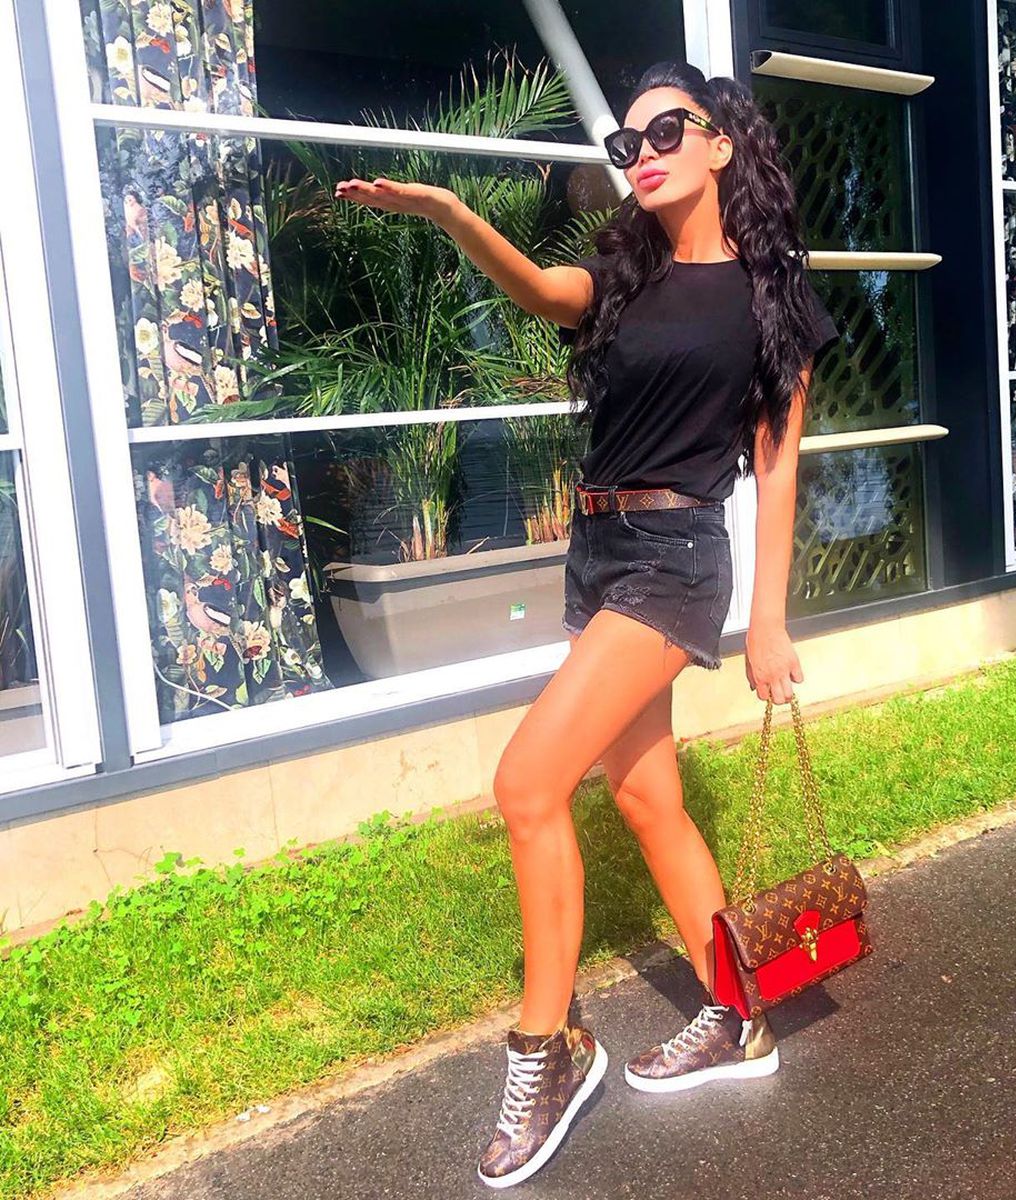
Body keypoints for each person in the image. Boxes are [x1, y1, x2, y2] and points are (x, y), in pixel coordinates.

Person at [336, 58, 839, 1190]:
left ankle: (549, 1047)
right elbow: (536, 289)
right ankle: (739, 1014)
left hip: (675, 559)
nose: (642, 153)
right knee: (647, 796)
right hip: (599, 550)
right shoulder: (625, 277)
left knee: (527, 784)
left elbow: (777, 466)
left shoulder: (771, 297)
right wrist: (452, 212)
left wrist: (768, 621)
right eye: (626, 143)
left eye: (667, 132)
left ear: (721, 144)